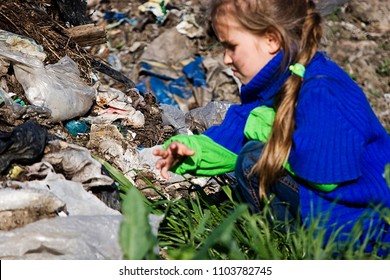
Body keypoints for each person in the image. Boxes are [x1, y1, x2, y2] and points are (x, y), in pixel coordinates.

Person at [153, 0, 390, 255]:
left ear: (271, 40)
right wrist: (191, 149)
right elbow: (237, 131)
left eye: (231, 47)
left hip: (362, 222)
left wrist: (270, 130)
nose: (225, 59)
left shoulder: (323, 89)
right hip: (331, 213)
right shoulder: (278, 80)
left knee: (253, 159)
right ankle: (284, 245)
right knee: (252, 156)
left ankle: (294, 248)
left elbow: (325, 174)